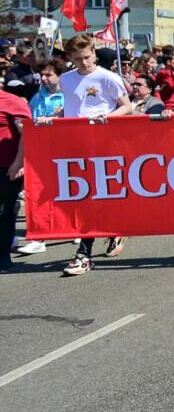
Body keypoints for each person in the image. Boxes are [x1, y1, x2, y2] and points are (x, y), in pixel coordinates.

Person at [38, 35, 133, 273]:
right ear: (70, 58)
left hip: (103, 144)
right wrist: (51, 119)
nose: (84, 63)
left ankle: (84, 254)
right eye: (78, 59)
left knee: (96, 196)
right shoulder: (67, 80)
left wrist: (108, 117)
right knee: (81, 198)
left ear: (94, 54)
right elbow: (71, 109)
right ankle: (112, 231)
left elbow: (127, 106)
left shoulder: (108, 77)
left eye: (88, 57)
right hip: (74, 145)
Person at [0, 82, 29, 271]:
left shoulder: (12, 101)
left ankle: (3, 255)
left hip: (6, 166)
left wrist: (19, 162)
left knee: (4, 211)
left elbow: (26, 133)